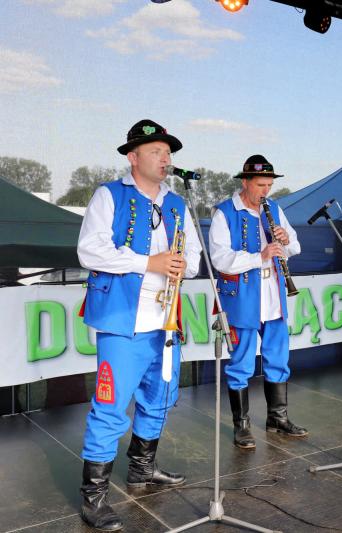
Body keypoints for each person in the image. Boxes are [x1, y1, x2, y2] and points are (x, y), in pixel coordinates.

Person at [77, 119, 202, 531]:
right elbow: (90, 250)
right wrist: (148, 262)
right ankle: (94, 498)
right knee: (110, 406)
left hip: (166, 320)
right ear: (133, 157)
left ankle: (141, 469)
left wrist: (183, 265)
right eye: (156, 151)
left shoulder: (177, 203)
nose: (166, 159)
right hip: (121, 319)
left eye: (168, 152)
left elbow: (195, 259)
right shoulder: (109, 194)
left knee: (160, 397)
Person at [209, 154, 307, 448]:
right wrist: (259, 256)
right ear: (245, 182)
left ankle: (277, 418)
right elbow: (220, 259)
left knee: (278, 357)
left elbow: (295, 246)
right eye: (261, 185)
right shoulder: (225, 212)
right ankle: (242, 425)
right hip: (242, 296)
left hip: (273, 292)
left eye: (269, 185)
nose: (266, 191)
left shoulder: (274, 208)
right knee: (241, 362)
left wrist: (286, 241)